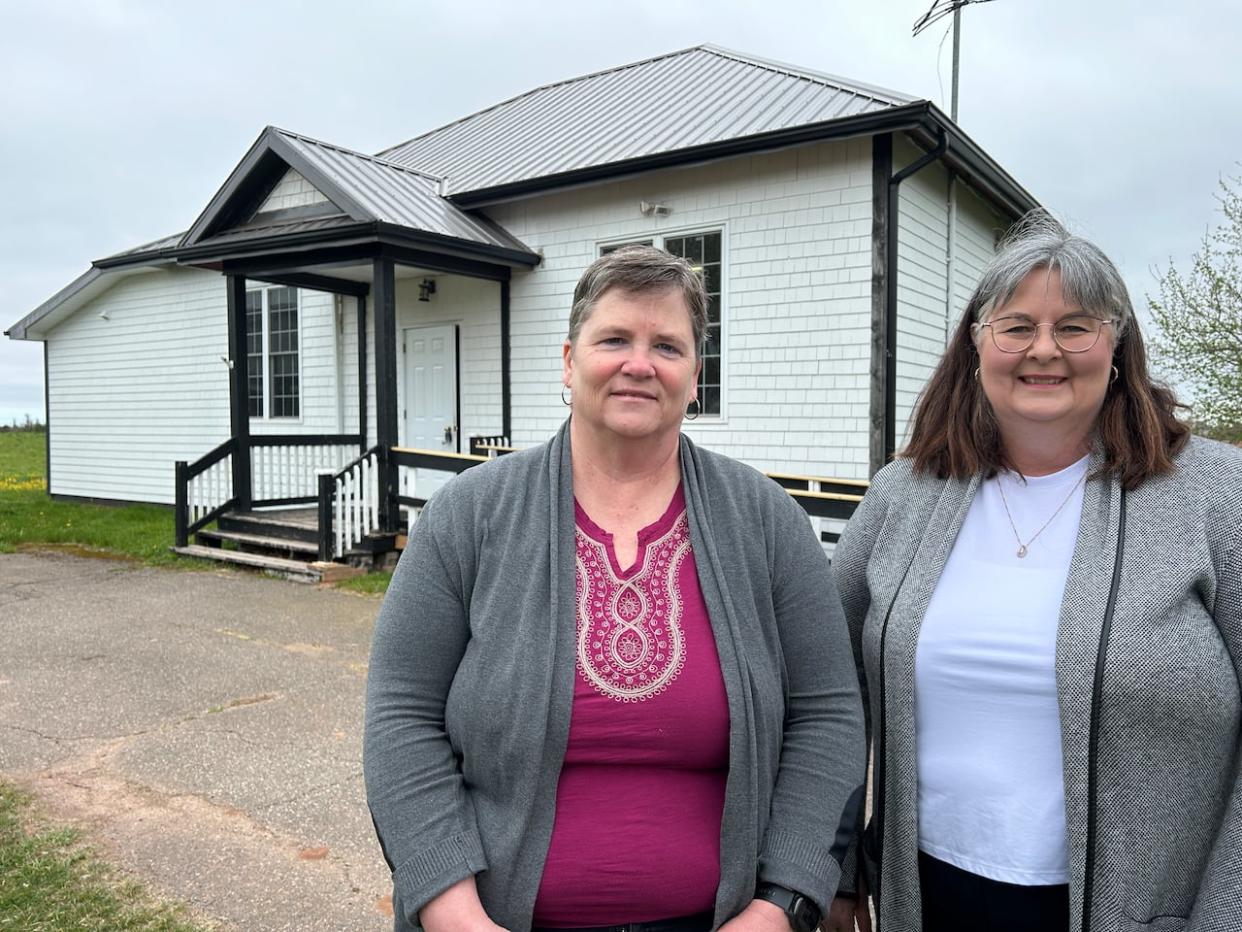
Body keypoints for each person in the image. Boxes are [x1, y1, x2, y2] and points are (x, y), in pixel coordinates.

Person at [365, 245, 866, 932]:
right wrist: (453, 912)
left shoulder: (768, 522)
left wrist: (780, 905)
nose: (639, 363)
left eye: (667, 345)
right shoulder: (468, 515)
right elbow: (402, 716)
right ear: (570, 363)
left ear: (695, 378)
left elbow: (829, 716)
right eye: (614, 339)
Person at [825, 212, 1242, 932]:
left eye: (1075, 327)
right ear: (978, 344)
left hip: (1144, 912)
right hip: (925, 897)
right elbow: (828, 691)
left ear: (1116, 346)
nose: (1043, 350)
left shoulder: (1215, 496)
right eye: (1016, 326)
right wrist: (832, 870)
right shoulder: (904, 495)